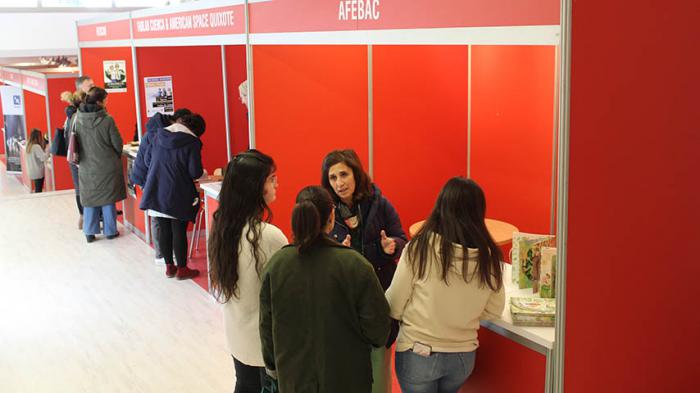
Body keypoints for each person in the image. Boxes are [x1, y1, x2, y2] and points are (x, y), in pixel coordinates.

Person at [260, 186, 391, 393]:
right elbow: (379, 330)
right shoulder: (355, 265)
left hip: (294, 377)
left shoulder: (277, 264)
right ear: (332, 217)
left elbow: (267, 327)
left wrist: (274, 367)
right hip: (348, 377)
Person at [386, 177, 505, 393]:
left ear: (441, 206)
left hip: (419, 352)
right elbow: (494, 311)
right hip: (463, 358)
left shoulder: (420, 248)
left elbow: (394, 304)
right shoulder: (489, 257)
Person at [321, 149, 408, 393]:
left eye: (344, 175)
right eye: (333, 178)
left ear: (356, 174)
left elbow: (400, 237)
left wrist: (391, 246)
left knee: (379, 361)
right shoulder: (325, 208)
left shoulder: (379, 203)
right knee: (346, 365)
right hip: (341, 297)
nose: (339, 183)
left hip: (378, 291)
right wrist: (336, 252)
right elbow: (314, 250)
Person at [208, 150, 287, 393]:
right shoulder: (268, 236)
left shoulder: (223, 228)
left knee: (245, 384)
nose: (277, 184)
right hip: (266, 343)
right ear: (255, 187)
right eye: (271, 178)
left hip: (238, 334)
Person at [139, 112, 206, 280]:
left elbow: (147, 161)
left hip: (155, 187)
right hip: (178, 191)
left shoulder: (158, 135)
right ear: (196, 131)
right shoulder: (192, 143)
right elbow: (194, 172)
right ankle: (183, 269)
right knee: (178, 230)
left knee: (164, 229)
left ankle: (169, 267)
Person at [130, 108, 192, 265]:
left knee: (161, 218)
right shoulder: (159, 133)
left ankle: (166, 257)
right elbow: (149, 161)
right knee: (159, 218)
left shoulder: (158, 130)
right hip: (148, 178)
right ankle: (161, 255)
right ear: (179, 121)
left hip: (149, 176)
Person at [72, 86, 126, 243]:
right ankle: (110, 231)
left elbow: (72, 140)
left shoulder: (77, 118)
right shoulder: (107, 120)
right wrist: (114, 156)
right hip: (107, 165)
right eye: (106, 100)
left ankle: (89, 231)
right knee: (108, 198)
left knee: (90, 198)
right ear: (99, 101)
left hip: (86, 166)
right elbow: (117, 143)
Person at [63, 75, 94, 229]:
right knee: (86, 187)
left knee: (79, 187)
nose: (93, 86)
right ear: (81, 87)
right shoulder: (80, 113)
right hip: (82, 156)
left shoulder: (70, 113)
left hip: (73, 156)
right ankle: (87, 218)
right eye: (90, 85)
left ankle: (84, 216)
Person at [25, 129, 49, 193]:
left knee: (37, 188)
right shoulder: (36, 147)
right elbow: (44, 158)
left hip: (31, 171)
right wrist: (48, 149)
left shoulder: (28, 145)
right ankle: (38, 201)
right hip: (38, 172)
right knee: (38, 190)